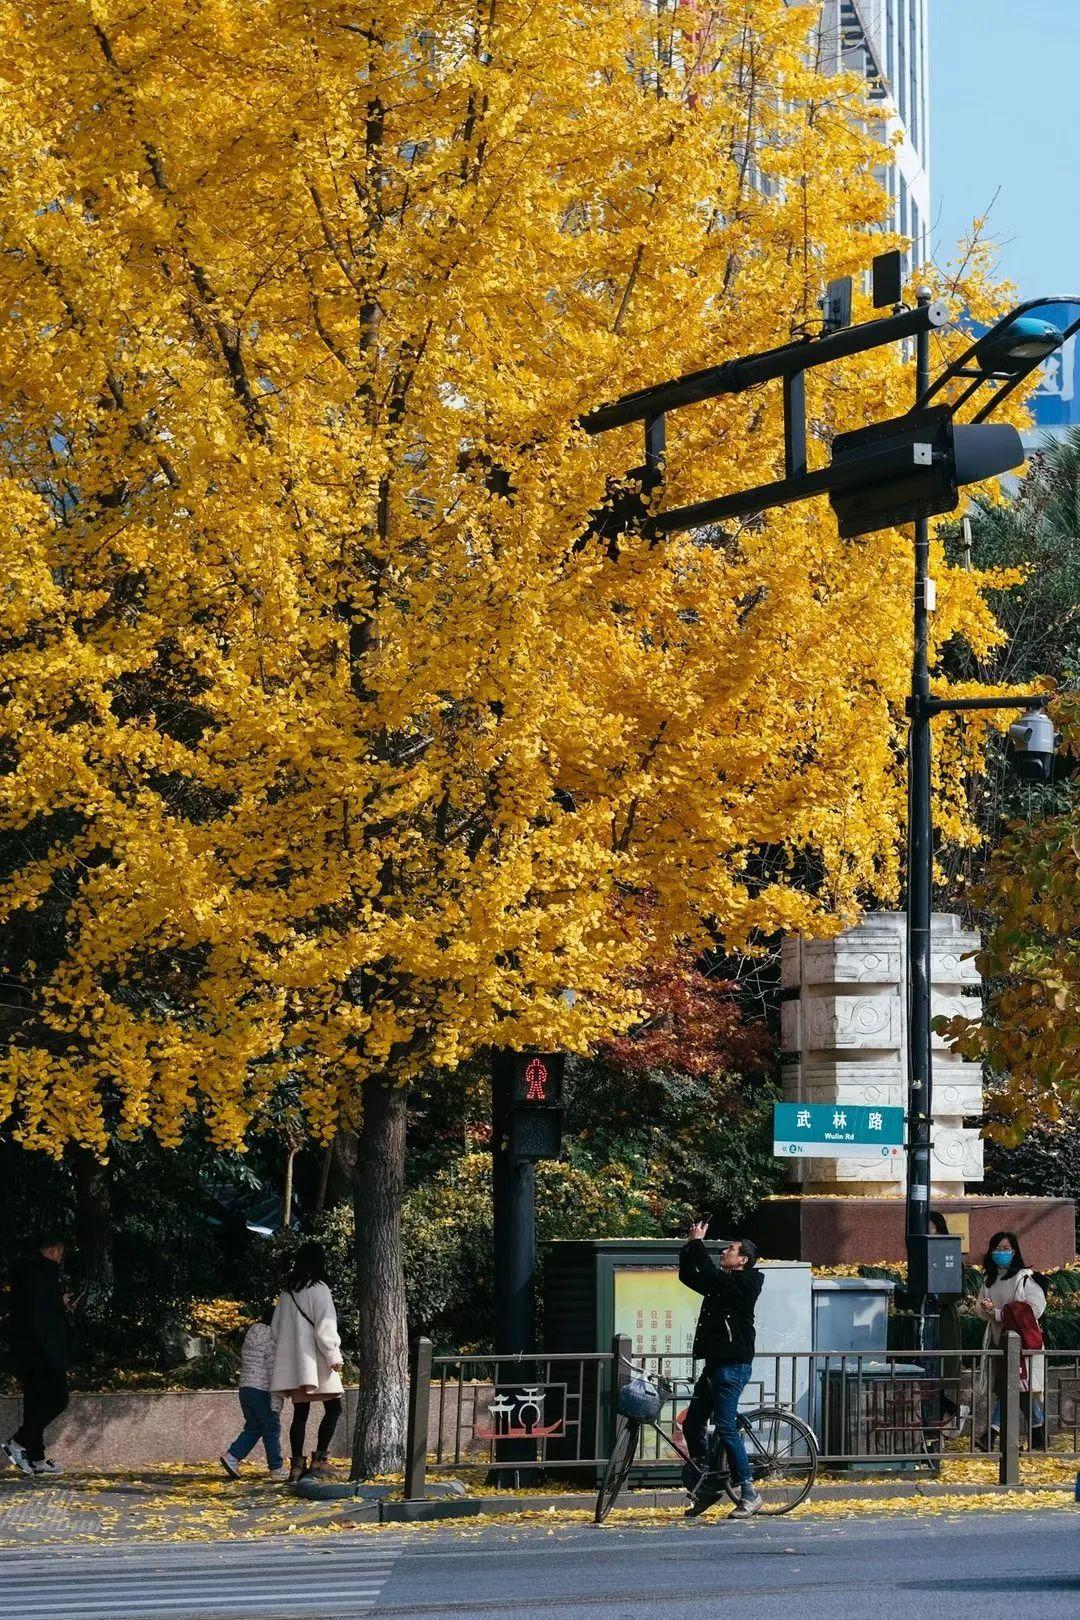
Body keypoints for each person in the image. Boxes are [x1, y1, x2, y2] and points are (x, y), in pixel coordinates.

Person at [678, 1223, 765, 1519]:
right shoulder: (722, 1283)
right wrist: (689, 1247)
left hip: (733, 1365)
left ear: (743, 1259)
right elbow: (689, 1276)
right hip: (713, 1365)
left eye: (730, 1249)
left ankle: (749, 1493)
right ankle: (708, 1482)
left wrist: (698, 1245)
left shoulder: (748, 1282)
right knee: (692, 1424)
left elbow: (713, 1277)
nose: (725, 1252)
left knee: (725, 1425)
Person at [271, 1242, 344, 1483]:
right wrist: (333, 1354)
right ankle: (320, 1459)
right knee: (334, 1408)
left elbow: (275, 1330)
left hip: (296, 1365)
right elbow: (325, 1326)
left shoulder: (287, 1292)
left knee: (300, 1413)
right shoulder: (320, 1288)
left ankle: (296, 1466)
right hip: (319, 1360)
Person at [2, 1233, 71, 1477]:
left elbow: (32, 1307)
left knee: (35, 1403)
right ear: (53, 1250)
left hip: (27, 1351)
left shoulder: (26, 1271)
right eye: (61, 1253)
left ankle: (36, 1458)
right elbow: (42, 1315)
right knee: (58, 1398)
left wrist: (57, 1300)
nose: (61, 1259)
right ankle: (19, 1442)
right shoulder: (44, 1273)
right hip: (42, 1351)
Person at [975, 1230, 1047, 1451]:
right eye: (997, 1248)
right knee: (1020, 1391)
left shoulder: (1024, 1278)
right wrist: (986, 1309)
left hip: (1022, 1344)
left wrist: (999, 1313)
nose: (1001, 1253)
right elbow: (980, 1309)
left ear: (1014, 1251)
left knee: (1014, 1388)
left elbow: (1034, 1308)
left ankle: (992, 1434)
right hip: (999, 1342)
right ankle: (1038, 1434)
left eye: (1006, 1249)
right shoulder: (989, 1279)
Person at [221, 1306, 287, 1481]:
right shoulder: (272, 1338)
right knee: (271, 1428)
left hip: (246, 1388)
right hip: (262, 1390)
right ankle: (276, 1468)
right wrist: (278, 1396)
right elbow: (274, 1370)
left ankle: (232, 1457)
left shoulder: (252, 1334)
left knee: (254, 1427)